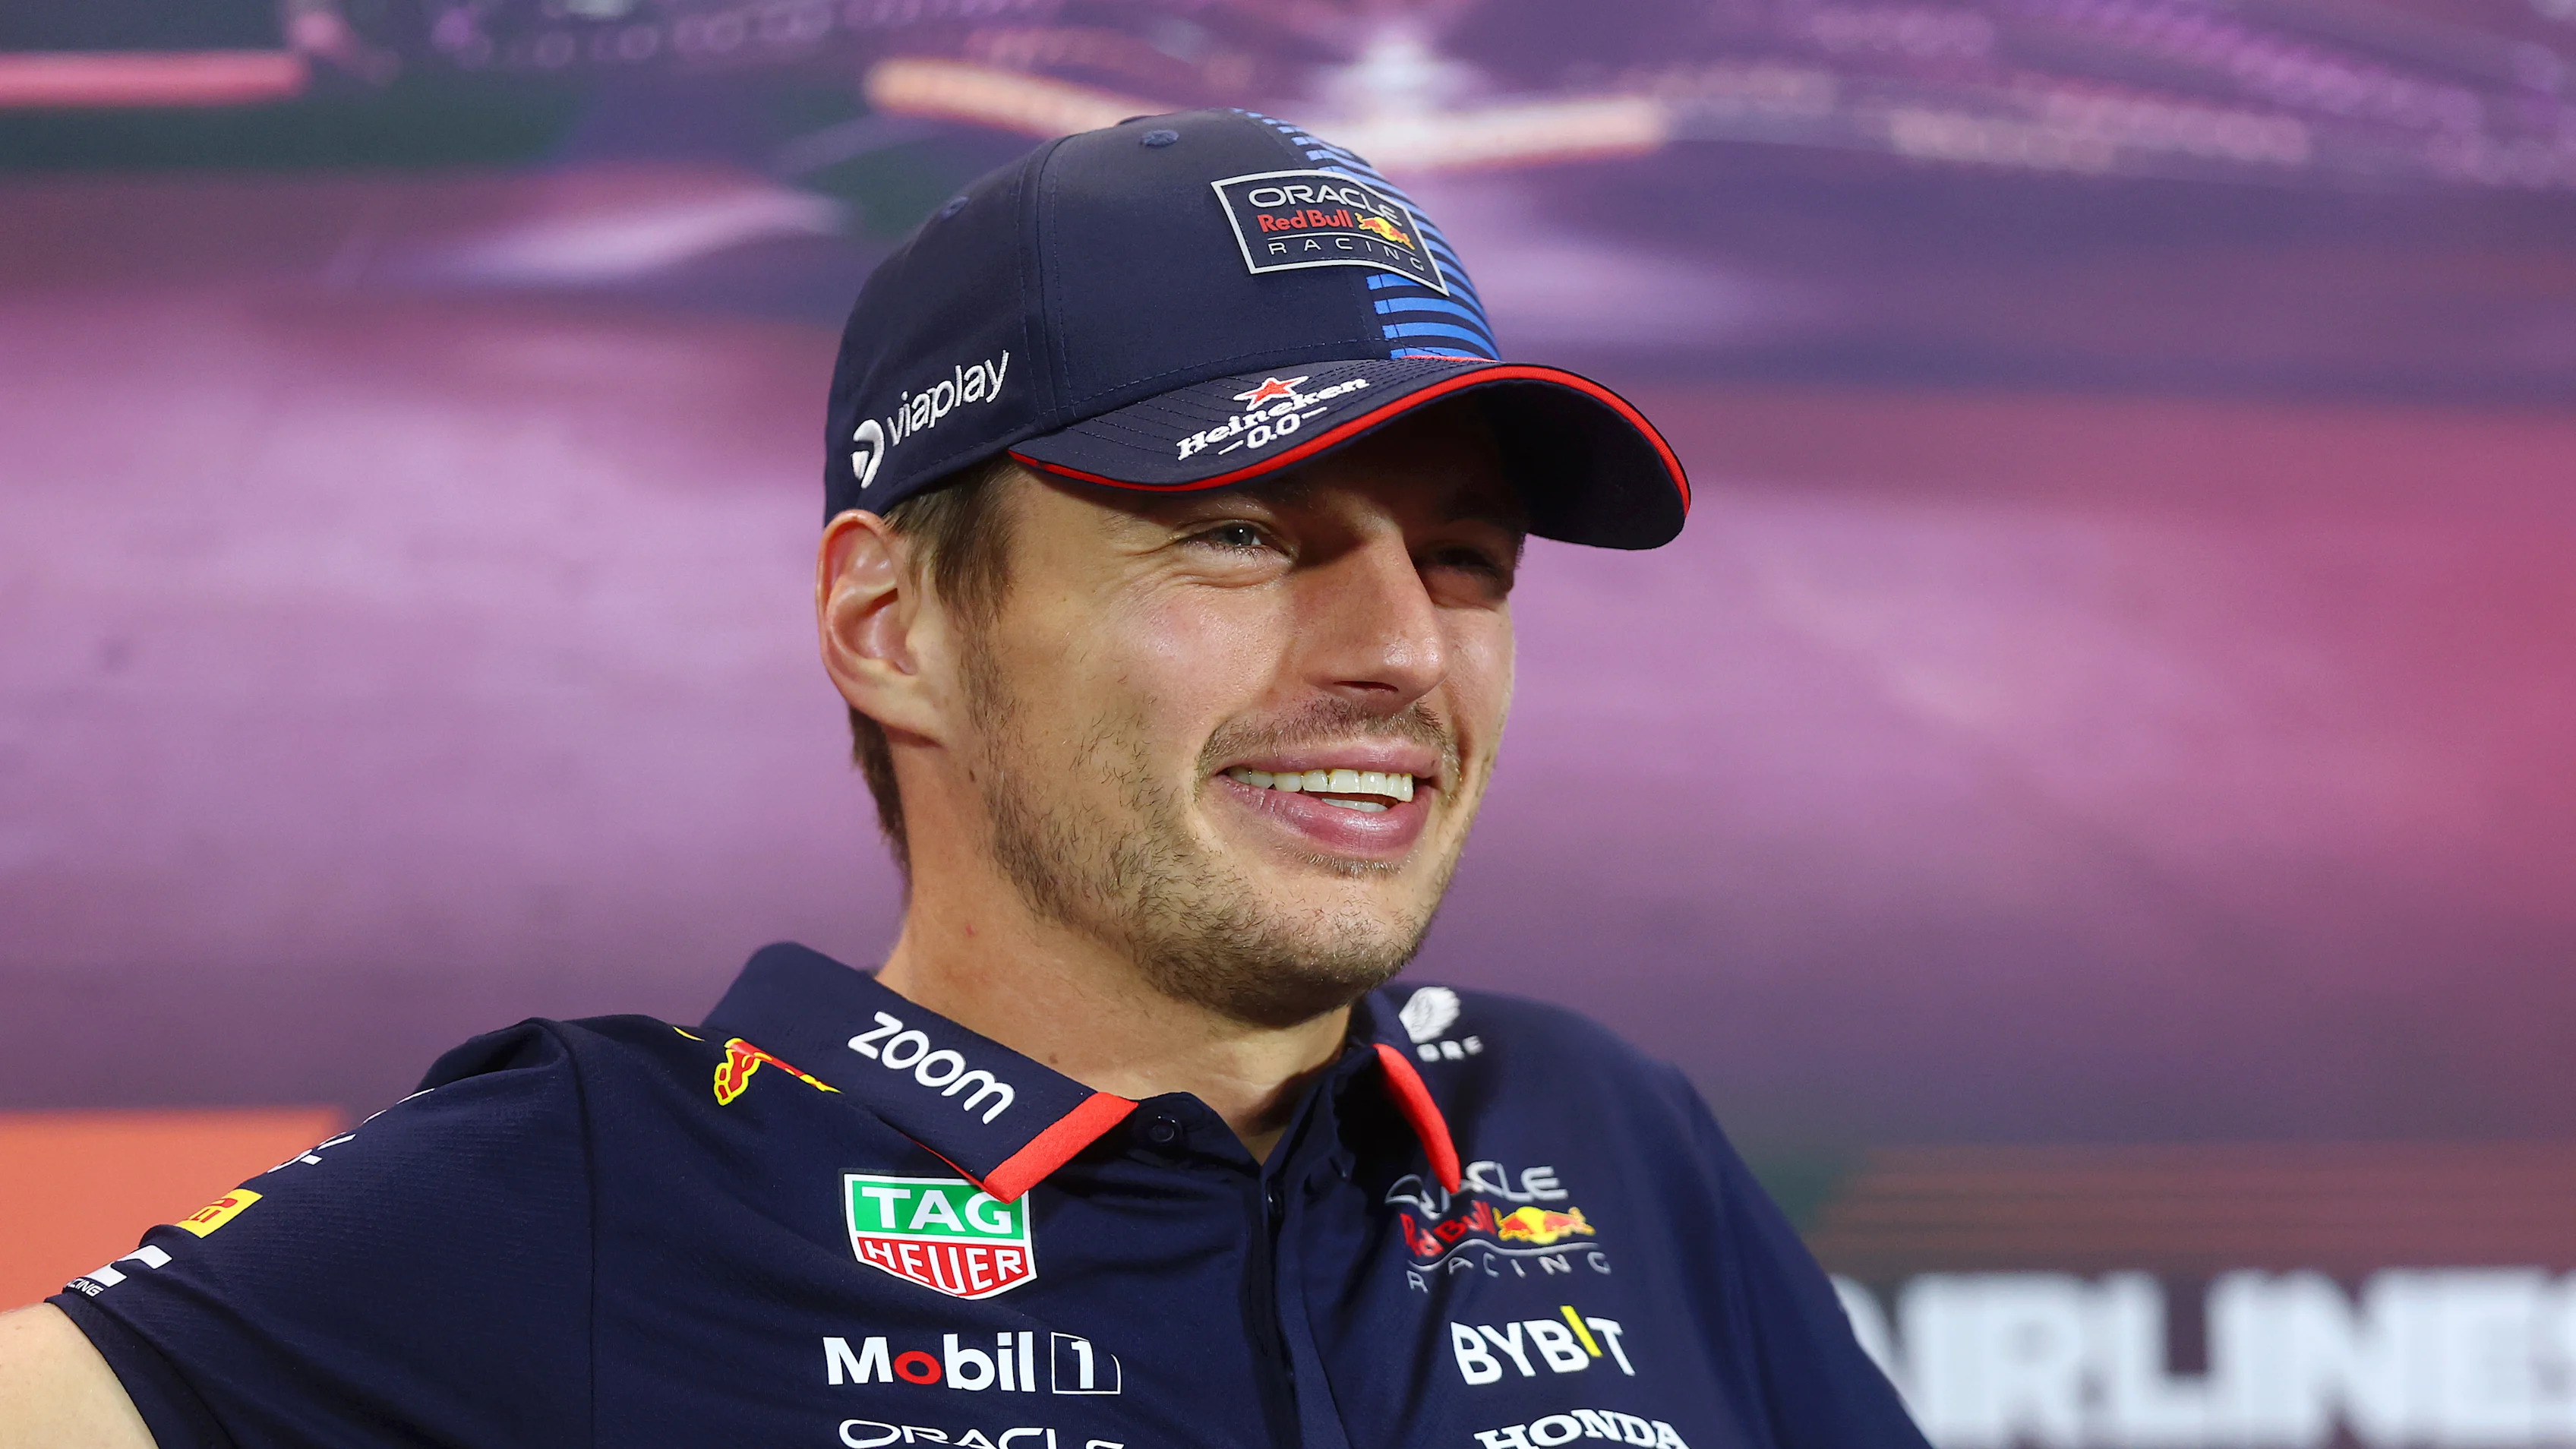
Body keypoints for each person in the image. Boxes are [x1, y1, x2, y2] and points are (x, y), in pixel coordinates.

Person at [0, 109, 1926, 1449]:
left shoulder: (1593, 1127)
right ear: (892, 622)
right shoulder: (598, 1186)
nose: (1404, 651)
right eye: (1242, 535)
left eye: (1465, 558)